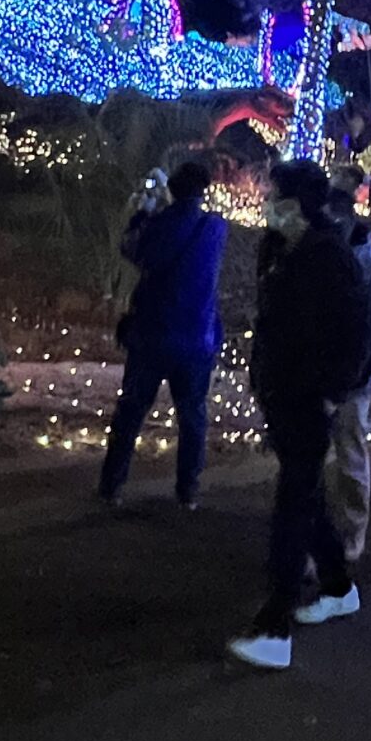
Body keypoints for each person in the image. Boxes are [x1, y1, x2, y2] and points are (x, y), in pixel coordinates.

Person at [227, 159, 371, 671]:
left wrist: (332, 391)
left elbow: (360, 332)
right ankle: (337, 585)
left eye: (275, 196)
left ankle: (274, 625)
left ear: (295, 205)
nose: (266, 203)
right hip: (282, 393)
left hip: (309, 397)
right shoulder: (279, 249)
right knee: (304, 496)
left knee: (292, 504)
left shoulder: (328, 256)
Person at [98, 159, 228, 508]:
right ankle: (188, 490)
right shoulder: (215, 228)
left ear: (173, 188)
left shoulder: (162, 225)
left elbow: (132, 250)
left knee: (132, 410)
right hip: (198, 336)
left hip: (153, 333)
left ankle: (112, 485)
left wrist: (143, 214)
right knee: (192, 415)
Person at [323, 165, 371, 565]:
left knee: (348, 456)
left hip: (351, 375)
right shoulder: (321, 256)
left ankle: (351, 534)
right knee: (321, 460)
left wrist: (365, 353)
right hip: (322, 372)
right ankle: (319, 540)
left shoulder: (366, 265)